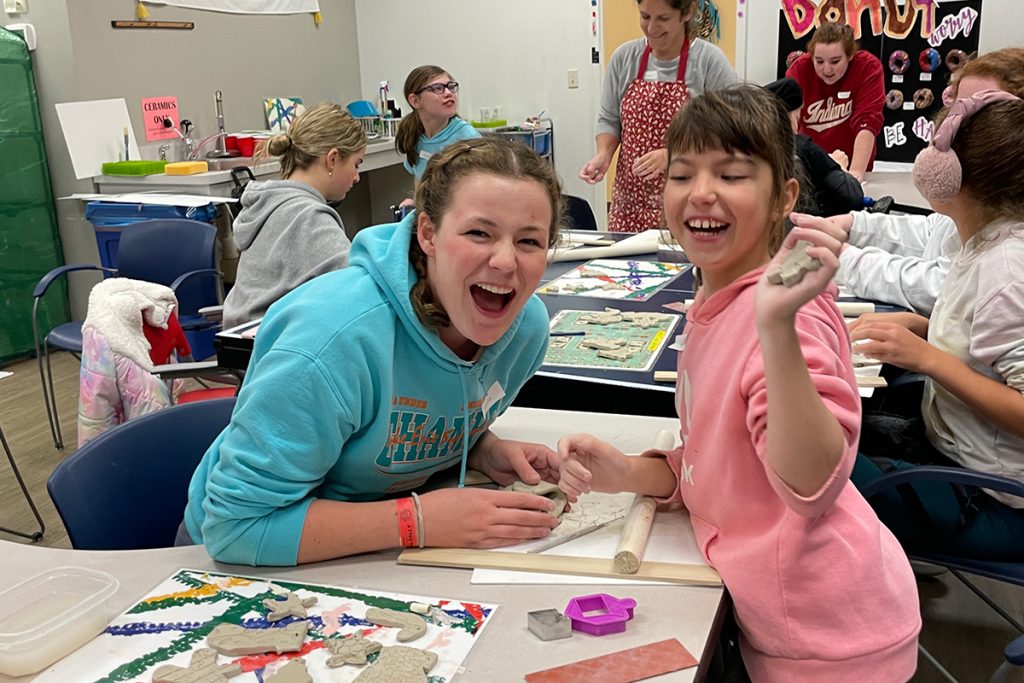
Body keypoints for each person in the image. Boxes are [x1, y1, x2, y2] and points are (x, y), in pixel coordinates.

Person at [558, 86, 919, 680]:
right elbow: (715, 459)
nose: (702, 192)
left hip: (833, 639)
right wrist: (627, 472)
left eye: (731, 174)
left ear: (784, 197)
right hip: (783, 620)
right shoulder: (715, 301)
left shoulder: (787, 317)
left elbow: (812, 484)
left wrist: (776, 326)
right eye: (682, 174)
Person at [181, 137, 566, 566]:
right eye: (479, 233)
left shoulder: (523, 331)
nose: (505, 262)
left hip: (379, 547)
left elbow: (412, 418)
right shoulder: (331, 342)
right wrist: (418, 521)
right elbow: (235, 528)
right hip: (246, 556)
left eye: (529, 241)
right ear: (428, 234)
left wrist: (481, 448)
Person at [849, 90, 1024, 561]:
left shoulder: (1006, 268)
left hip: (996, 500)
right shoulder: (986, 241)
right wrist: (927, 327)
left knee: (812, 463)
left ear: (954, 176)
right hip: (957, 455)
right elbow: (984, 339)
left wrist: (927, 357)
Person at [831, 47, 1024, 316]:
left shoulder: (1008, 252)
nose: (952, 128)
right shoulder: (971, 203)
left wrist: (847, 259)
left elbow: (943, 286)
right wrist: (855, 225)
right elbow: (934, 234)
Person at [579, 0, 738, 232]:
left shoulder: (708, 61)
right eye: (645, 17)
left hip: (690, 204)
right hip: (629, 205)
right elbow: (609, 119)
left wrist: (675, 154)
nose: (652, 28)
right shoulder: (625, 58)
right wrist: (604, 155)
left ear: (687, 13)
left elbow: (732, 129)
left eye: (663, 19)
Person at [222, 103, 367, 328]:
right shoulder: (310, 217)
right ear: (332, 159)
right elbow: (359, 287)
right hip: (274, 345)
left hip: (243, 338)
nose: (357, 177)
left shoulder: (268, 204)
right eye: (356, 165)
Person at [786, 22, 884, 181]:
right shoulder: (799, 70)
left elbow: (868, 122)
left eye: (835, 61)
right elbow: (790, 118)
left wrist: (854, 176)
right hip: (810, 166)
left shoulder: (867, 67)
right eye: (819, 61)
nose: (826, 70)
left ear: (850, 55)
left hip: (854, 163)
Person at [764, 76, 864, 217]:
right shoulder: (802, 147)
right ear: (790, 115)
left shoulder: (754, 146)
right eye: (797, 117)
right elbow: (851, 196)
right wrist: (839, 167)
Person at [395, 65, 481, 182]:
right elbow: (419, 182)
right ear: (415, 101)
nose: (448, 93)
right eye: (437, 88)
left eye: (451, 87)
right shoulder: (413, 135)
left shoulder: (467, 136)